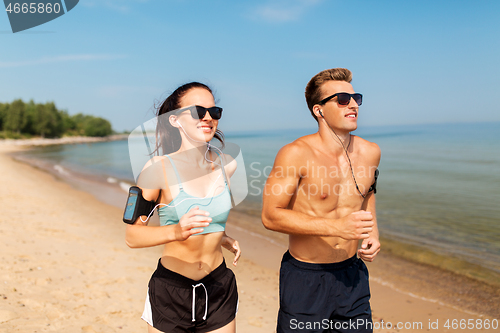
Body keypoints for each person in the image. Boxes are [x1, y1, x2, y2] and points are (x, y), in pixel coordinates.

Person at [261, 68, 381, 333]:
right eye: (341, 99)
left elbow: (368, 193)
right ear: (319, 110)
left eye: (355, 98)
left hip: (353, 276)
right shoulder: (295, 153)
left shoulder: (371, 152)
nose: (352, 105)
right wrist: (337, 227)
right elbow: (271, 216)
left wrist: (372, 232)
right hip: (306, 277)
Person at [125, 82, 240, 333]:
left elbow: (207, 214)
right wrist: (177, 231)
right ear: (175, 121)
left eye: (215, 112)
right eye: (199, 111)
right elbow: (132, 237)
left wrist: (222, 236)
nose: (209, 118)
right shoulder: (157, 169)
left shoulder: (227, 165)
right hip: (171, 291)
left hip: (219, 287)